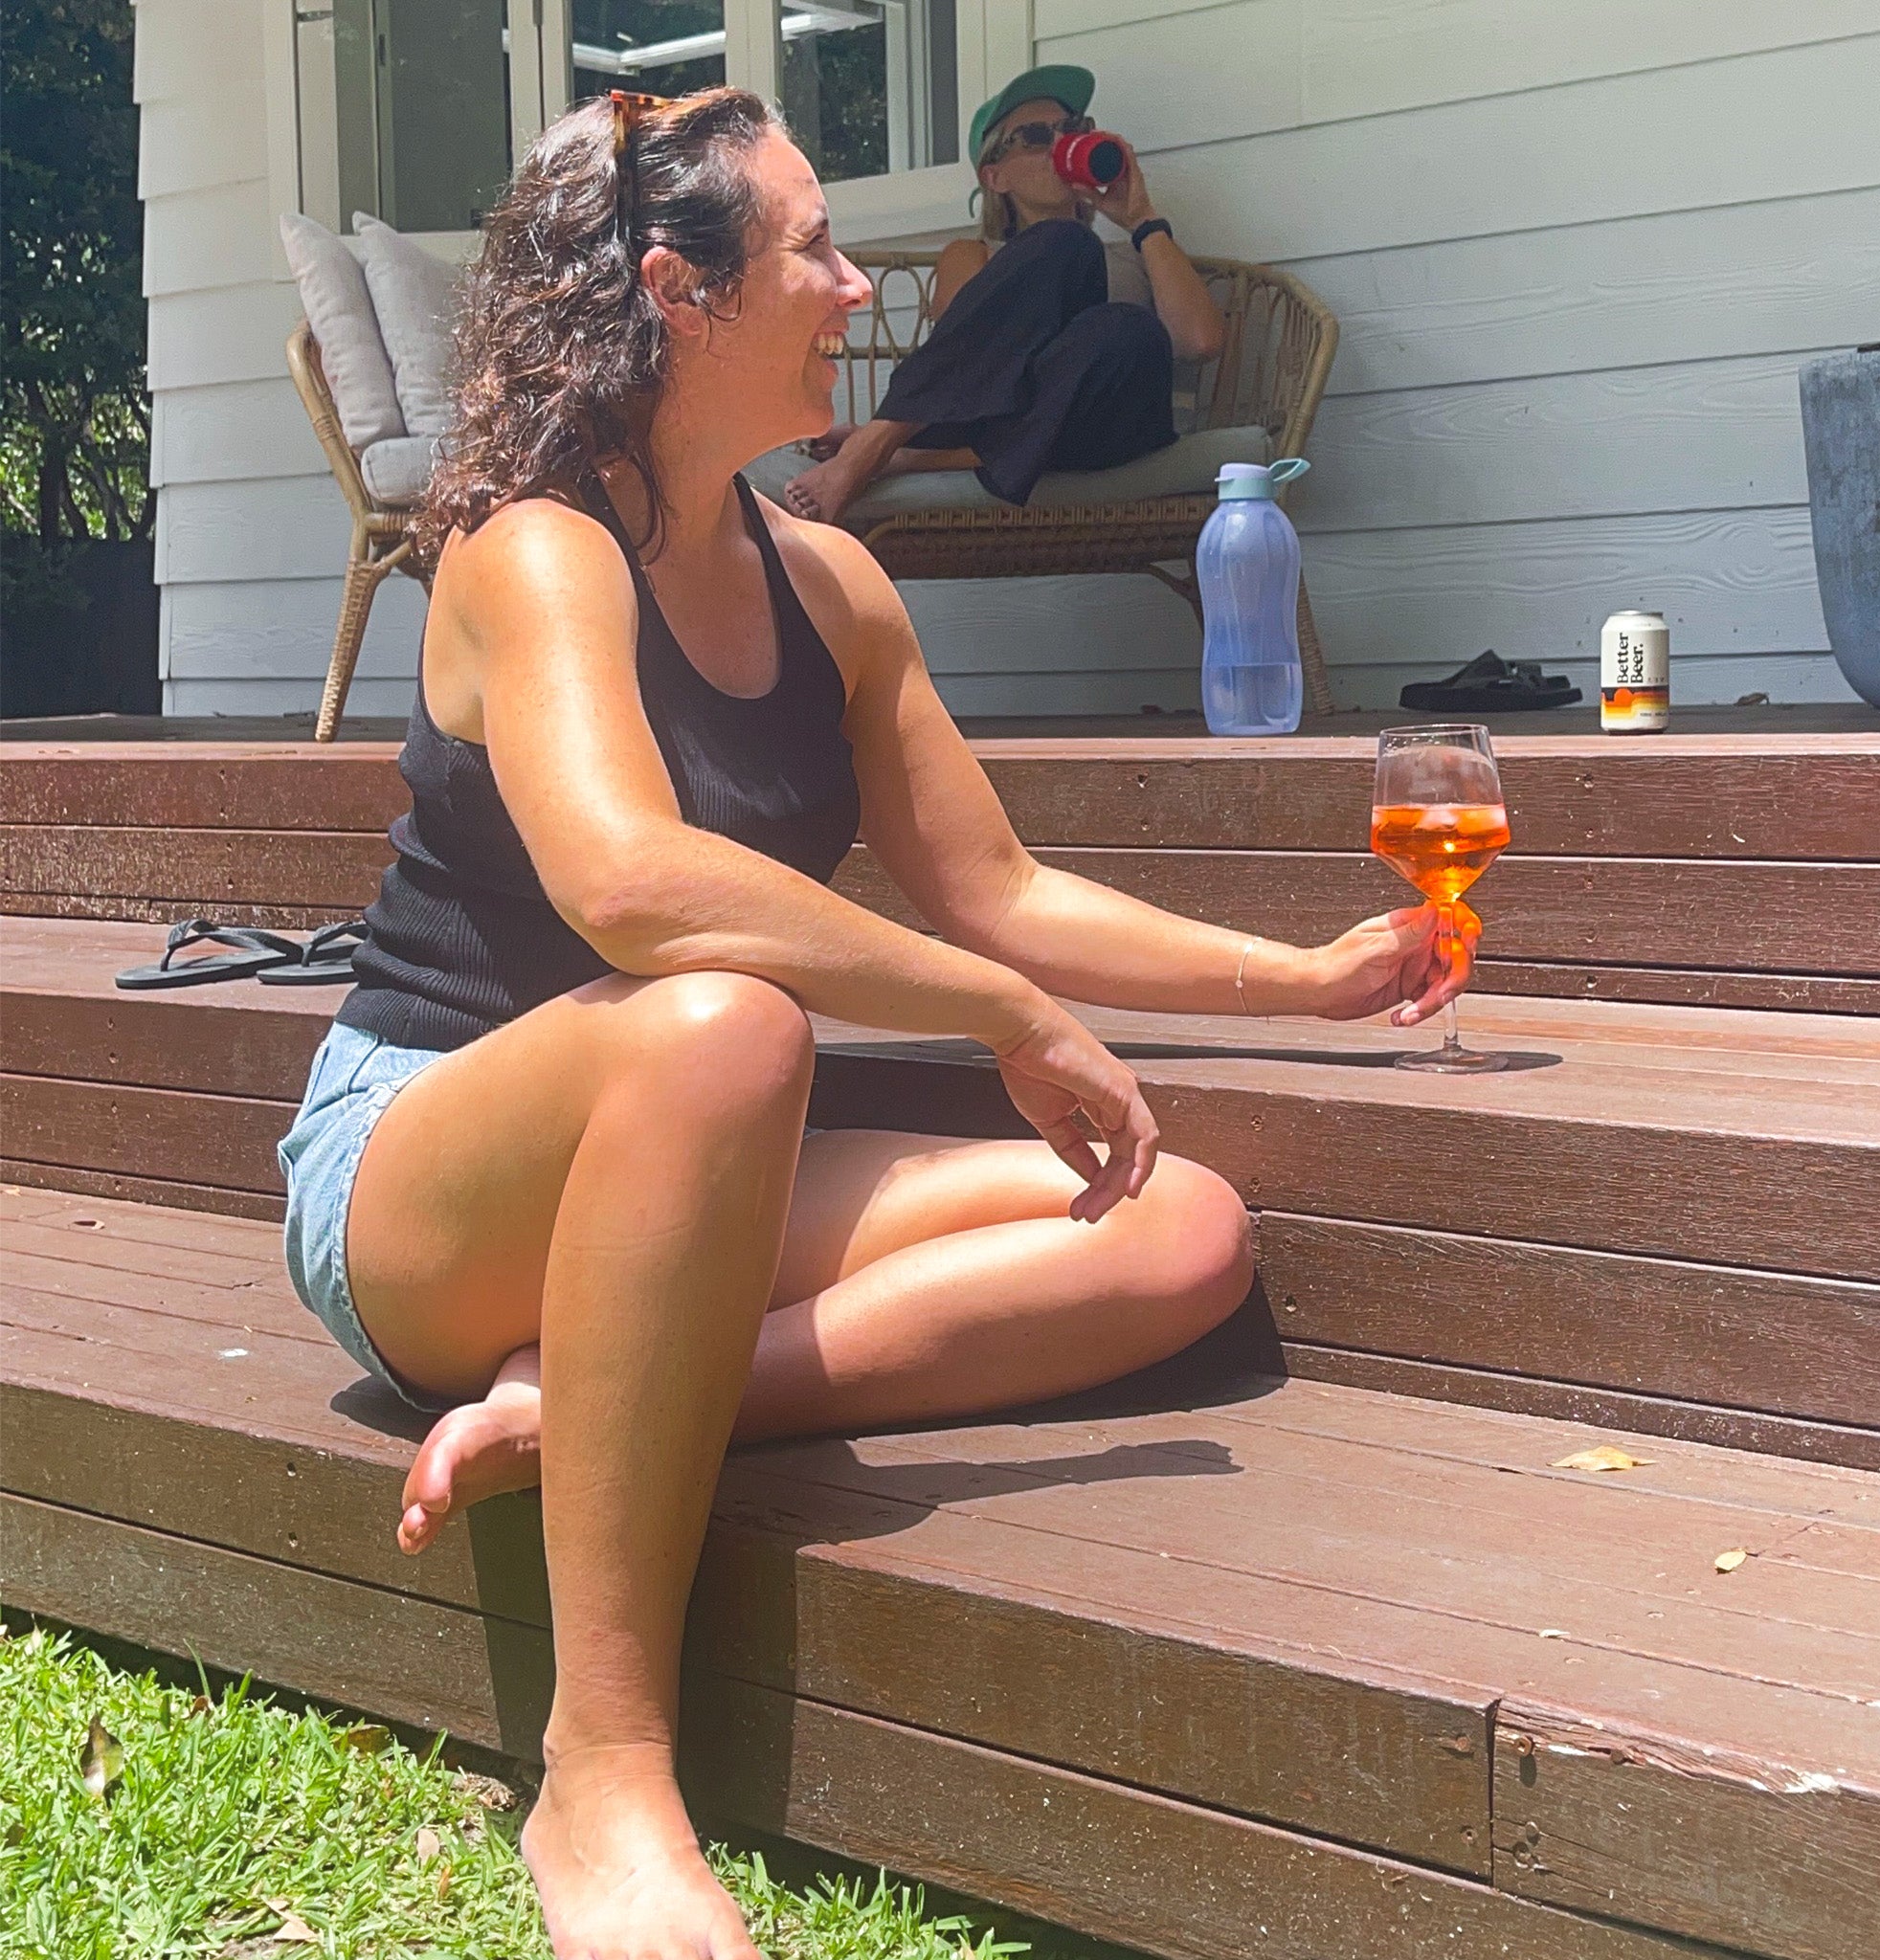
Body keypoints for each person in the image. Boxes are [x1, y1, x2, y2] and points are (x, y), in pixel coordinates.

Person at [275, 85, 1477, 1960]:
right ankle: (600, 1776)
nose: (858, 285)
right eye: (815, 249)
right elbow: (633, 887)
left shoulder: (825, 579)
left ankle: (572, 1401)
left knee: (1180, 1225)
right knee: (722, 1019)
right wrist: (999, 1010)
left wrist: (1302, 975)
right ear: (680, 292)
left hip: (689, 1162)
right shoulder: (534, 549)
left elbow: (999, 889)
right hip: (424, 1162)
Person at [781, 63, 1224, 524]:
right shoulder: (974, 255)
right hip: (1009, 424)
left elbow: (1201, 342)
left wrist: (1141, 220)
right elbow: (968, 359)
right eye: (1036, 136)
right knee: (1064, 244)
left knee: (1129, 328)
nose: (1059, 144)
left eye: (1072, 130)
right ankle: (882, 444)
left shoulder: (1139, 253)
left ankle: (892, 451)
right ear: (995, 178)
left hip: (1113, 423)